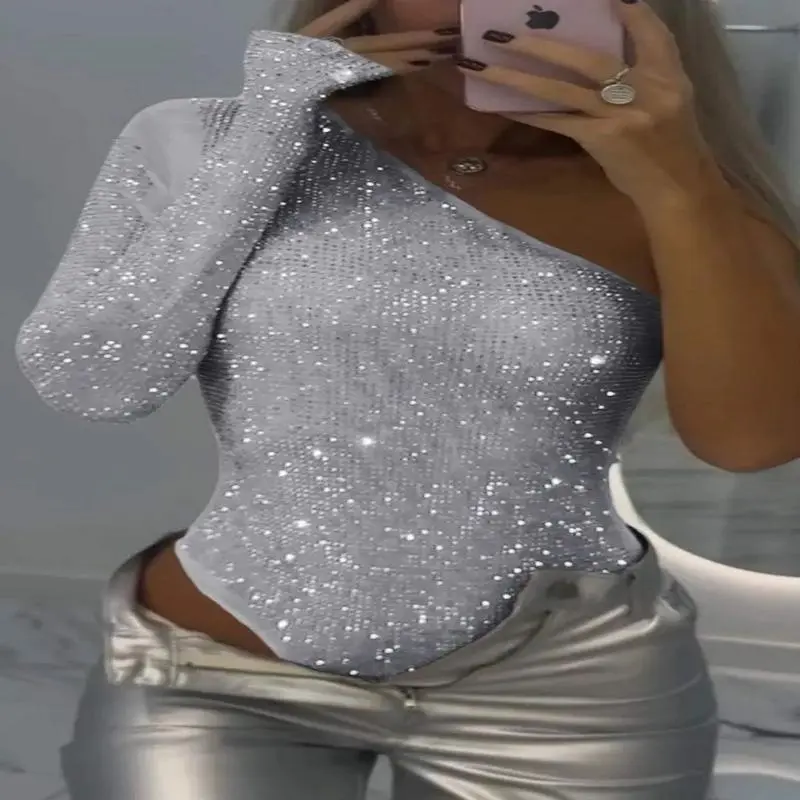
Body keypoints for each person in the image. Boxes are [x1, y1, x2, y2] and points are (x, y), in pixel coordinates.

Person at [15, 0, 800, 797]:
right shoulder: (210, 136)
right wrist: (265, 130)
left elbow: (750, 443)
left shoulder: (675, 188)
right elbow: (93, 382)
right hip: (214, 670)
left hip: (571, 683)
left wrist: (680, 180)